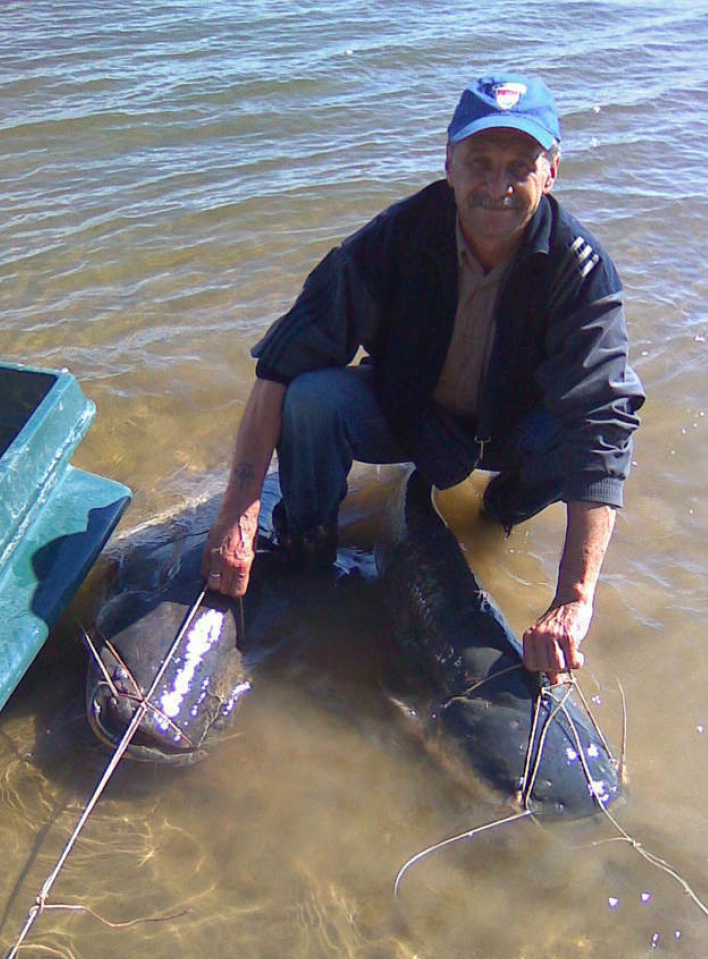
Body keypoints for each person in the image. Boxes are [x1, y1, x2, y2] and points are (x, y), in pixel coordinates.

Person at [201, 74, 644, 684]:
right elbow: (280, 363)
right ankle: (305, 544)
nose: (497, 186)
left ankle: (497, 515)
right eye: (479, 162)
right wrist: (236, 513)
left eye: (520, 165)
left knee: (590, 437)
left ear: (552, 171)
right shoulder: (394, 238)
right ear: (449, 163)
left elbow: (603, 425)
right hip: (408, 416)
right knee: (313, 397)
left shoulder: (580, 270)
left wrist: (574, 597)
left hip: (516, 433)